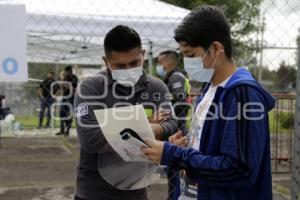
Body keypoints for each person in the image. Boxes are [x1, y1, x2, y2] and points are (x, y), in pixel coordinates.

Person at [142, 5, 275, 200]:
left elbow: (240, 170)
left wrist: (174, 155)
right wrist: (183, 149)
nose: (187, 63)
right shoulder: (209, 89)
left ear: (215, 49)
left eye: (190, 55)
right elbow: (208, 154)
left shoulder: (242, 93)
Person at [73, 25, 178, 200]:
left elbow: (173, 124)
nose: (128, 70)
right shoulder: (91, 87)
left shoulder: (156, 87)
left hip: (136, 190)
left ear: (143, 54)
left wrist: (152, 129)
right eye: (120, 66)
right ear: (106, 61)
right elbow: (90, 139)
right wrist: (146, 123)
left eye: (134, 63)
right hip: (94, 192)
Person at [157, 50, 190, 135]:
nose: (158, 66)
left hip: (177, 119)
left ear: (168, 62)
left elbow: (180, 96)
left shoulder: (175, 77)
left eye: (160, 62)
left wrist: (163, 99)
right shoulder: (172, 76)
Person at [56, 66, 78, 136]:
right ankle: (62, 130)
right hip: (65, 97)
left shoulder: (74, 77)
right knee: (62, 113)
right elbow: (62, 87)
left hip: (71, 97)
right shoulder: (64, 77)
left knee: (69, 114)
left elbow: (74, 87)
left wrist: (67, 85)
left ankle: (67, 130)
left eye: (66, 71)